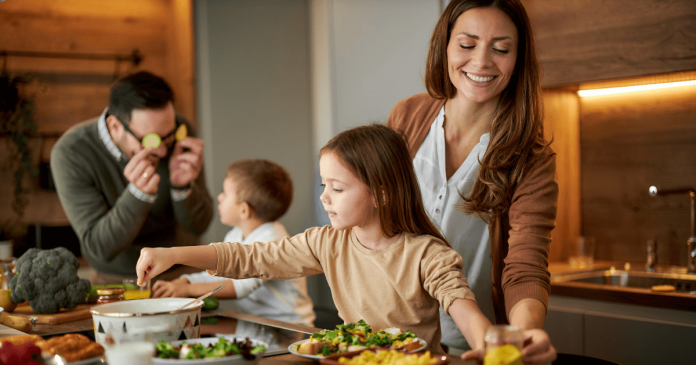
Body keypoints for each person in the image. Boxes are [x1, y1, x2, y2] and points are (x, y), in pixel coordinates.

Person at [136, 124, 492, 354]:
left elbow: (463, 308)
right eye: (325, 185)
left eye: (337, 188)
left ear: (381, 194)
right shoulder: (326, 243)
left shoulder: (426, 254)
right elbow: (249, 259)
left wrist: (489, 347)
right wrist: (172, 254)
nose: (324, 197)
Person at [387, 0, 557, 363]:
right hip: (391, 341)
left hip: (472, 348)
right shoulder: (407, 118)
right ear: (444, 46)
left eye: (501, 49)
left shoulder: (531, 156)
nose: (481, 62)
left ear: (518, 58)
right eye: (467, 45)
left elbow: (525, 264)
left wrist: (524, 336)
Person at [51, 71, 213, 284]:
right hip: (117, 282)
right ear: (115, 127)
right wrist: (137, 195)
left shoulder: (179, 131)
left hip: (182, 276)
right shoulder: (71, 152)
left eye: (168, 137)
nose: (164, 151)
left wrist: (182, 188)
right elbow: (99, 248)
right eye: (151, 140)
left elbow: (199, 226)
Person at [152, 159, 315, 327]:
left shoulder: (273, 241)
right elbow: (220, 273)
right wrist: (186, 281)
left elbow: (241, 287)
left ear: (244, 210)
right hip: (258, 324)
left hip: (289, 327)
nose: (219, 197)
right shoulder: (236, 234)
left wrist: (187, 290)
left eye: (225, 193)